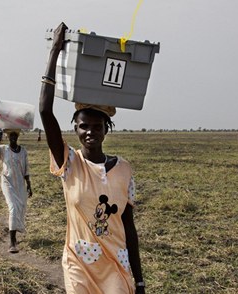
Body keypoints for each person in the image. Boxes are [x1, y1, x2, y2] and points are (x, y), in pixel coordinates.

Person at [39, 22, 145, 294]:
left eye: (97, 126)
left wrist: (140, 280)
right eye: (83, 126)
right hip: (79, 266)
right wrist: (55, 51)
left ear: (106, 129)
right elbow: (45, 111)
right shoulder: (68, 163)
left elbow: (128, 227)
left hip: (115, 265)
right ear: (74, 128)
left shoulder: (124, 170)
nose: (90, 132)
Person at [0, 125, 33, 253]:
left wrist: (29, 185)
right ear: (8, 137)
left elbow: (26, 169)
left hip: (20, 183)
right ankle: (12, 243)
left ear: (17, 137)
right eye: (11, 135)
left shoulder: (23, 151)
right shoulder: (3, 149)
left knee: (21, 207)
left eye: (15, 135)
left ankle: (16, 229)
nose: (13, 137)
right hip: (7, 182)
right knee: (13, 208)